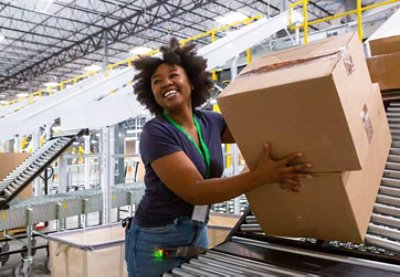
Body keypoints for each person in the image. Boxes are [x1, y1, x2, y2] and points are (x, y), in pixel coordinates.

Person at [125, 37, 312, 277]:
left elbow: (258, 133)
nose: (165, 83)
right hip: (157, 240)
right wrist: (261, 176)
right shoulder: (156, 132)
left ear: (191, 82)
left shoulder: (210, 121)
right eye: (157, 81)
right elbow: (195, 190)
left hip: (197, 228)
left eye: (173, 75)